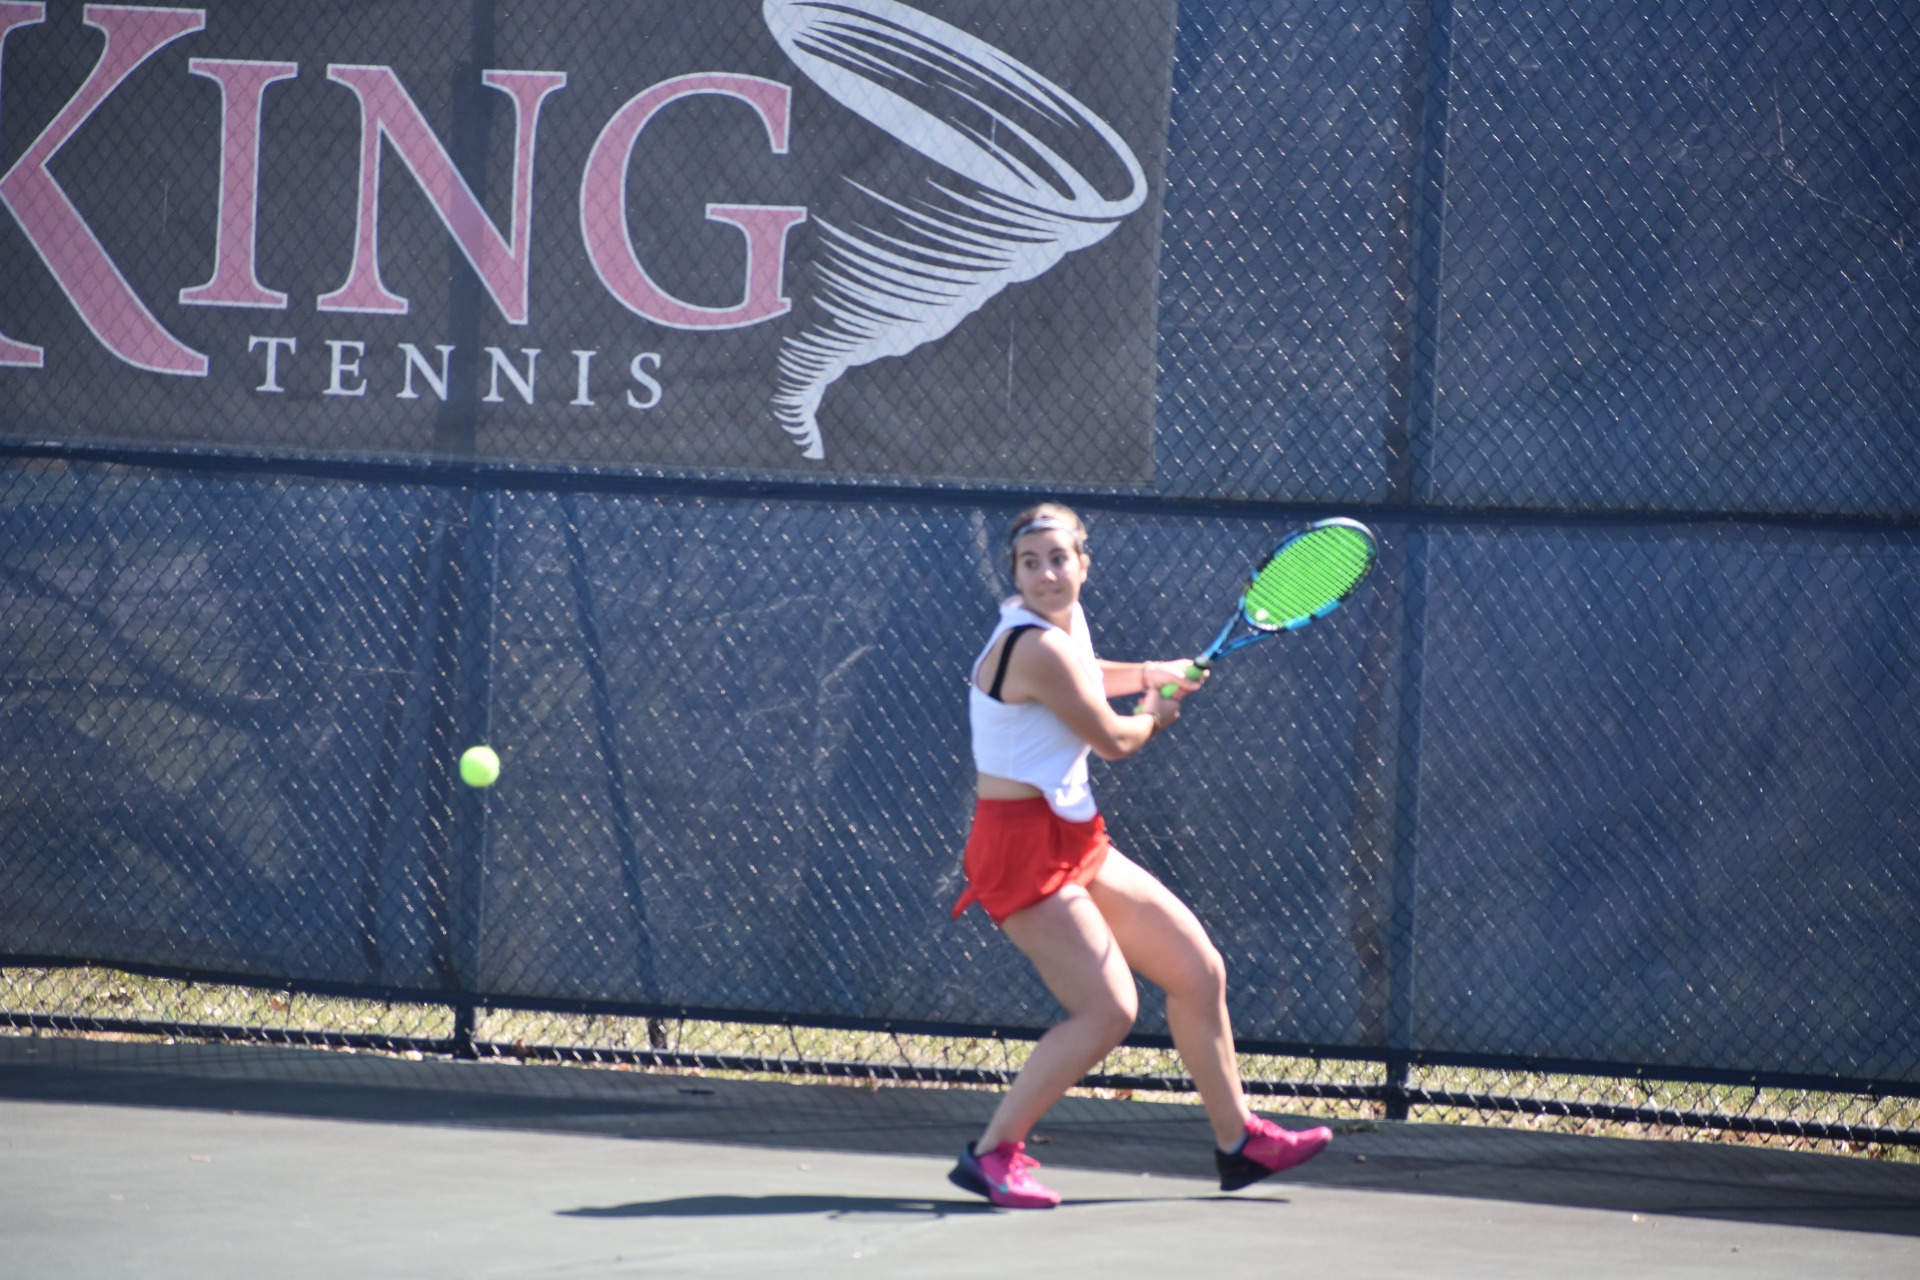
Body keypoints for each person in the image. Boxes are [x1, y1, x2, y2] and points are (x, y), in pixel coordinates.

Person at [946, 502, 1332, 1209]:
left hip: (1074, 836)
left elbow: (1086, 673)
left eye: (1058, 559)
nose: (1046, 574)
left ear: (1082, 565)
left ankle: (1238, 1143)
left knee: (1197, 970)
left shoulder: (1064, 627)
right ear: (1016, 575)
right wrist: (1154, 712)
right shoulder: (1032, 646)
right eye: (1030, 564)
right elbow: (1115, 741)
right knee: (1107, 1010)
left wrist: (1153, 671)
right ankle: (991, 1153)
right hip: (1019, 850)